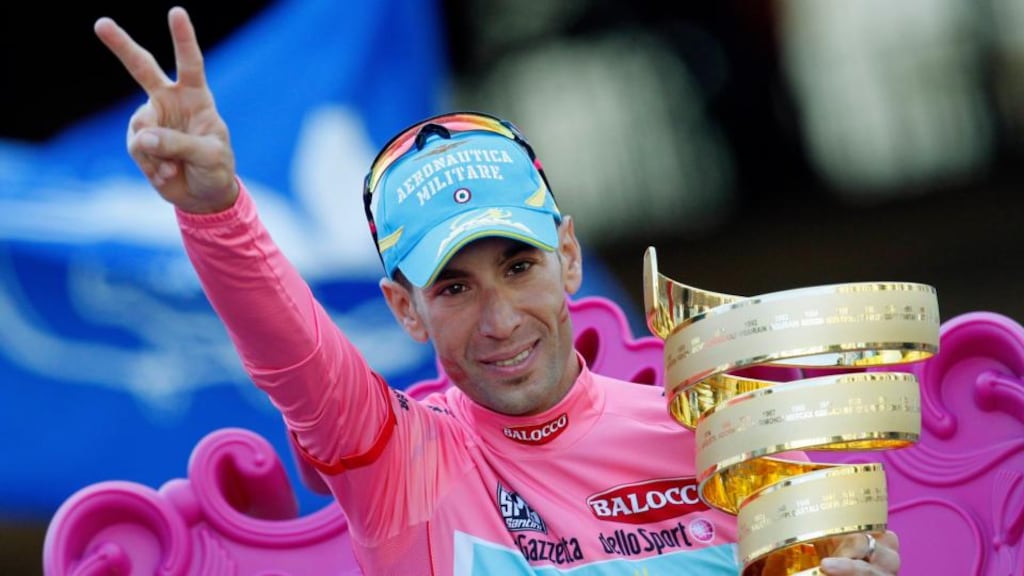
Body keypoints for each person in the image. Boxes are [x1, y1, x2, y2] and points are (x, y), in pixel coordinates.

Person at [93, 7, 902, 575]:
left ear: (569, 259)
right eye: (454, 287)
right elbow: (292, 355)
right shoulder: (401, 464)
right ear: (406, 309)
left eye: (519, 267)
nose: (501, 319)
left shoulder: (723, 442)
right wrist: (214, 210)